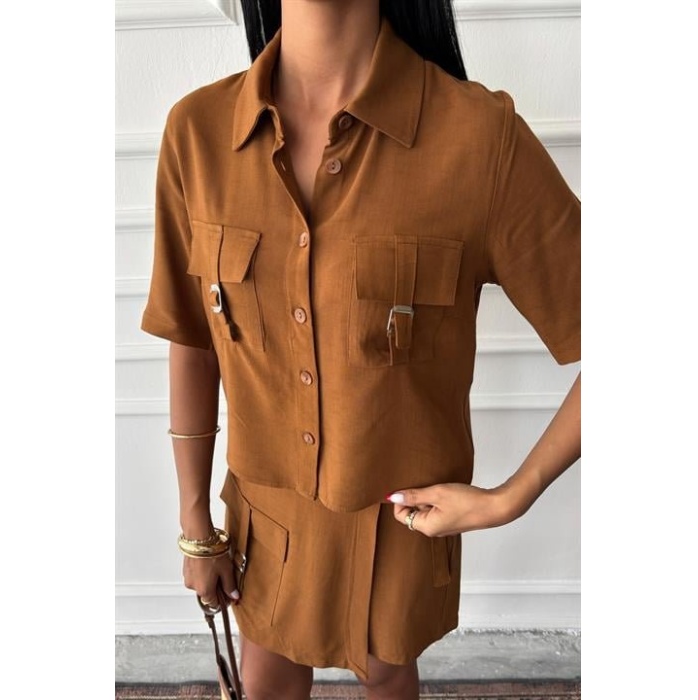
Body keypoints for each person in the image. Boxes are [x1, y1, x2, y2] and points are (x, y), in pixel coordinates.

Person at [141, 0, 580, 698]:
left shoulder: (479, 140)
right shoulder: (198, 134)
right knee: (263, 681)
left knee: (388, 672)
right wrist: (197, 524)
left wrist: (509, 499)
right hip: (264, 533)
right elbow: (193, 337)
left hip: (403, 535)